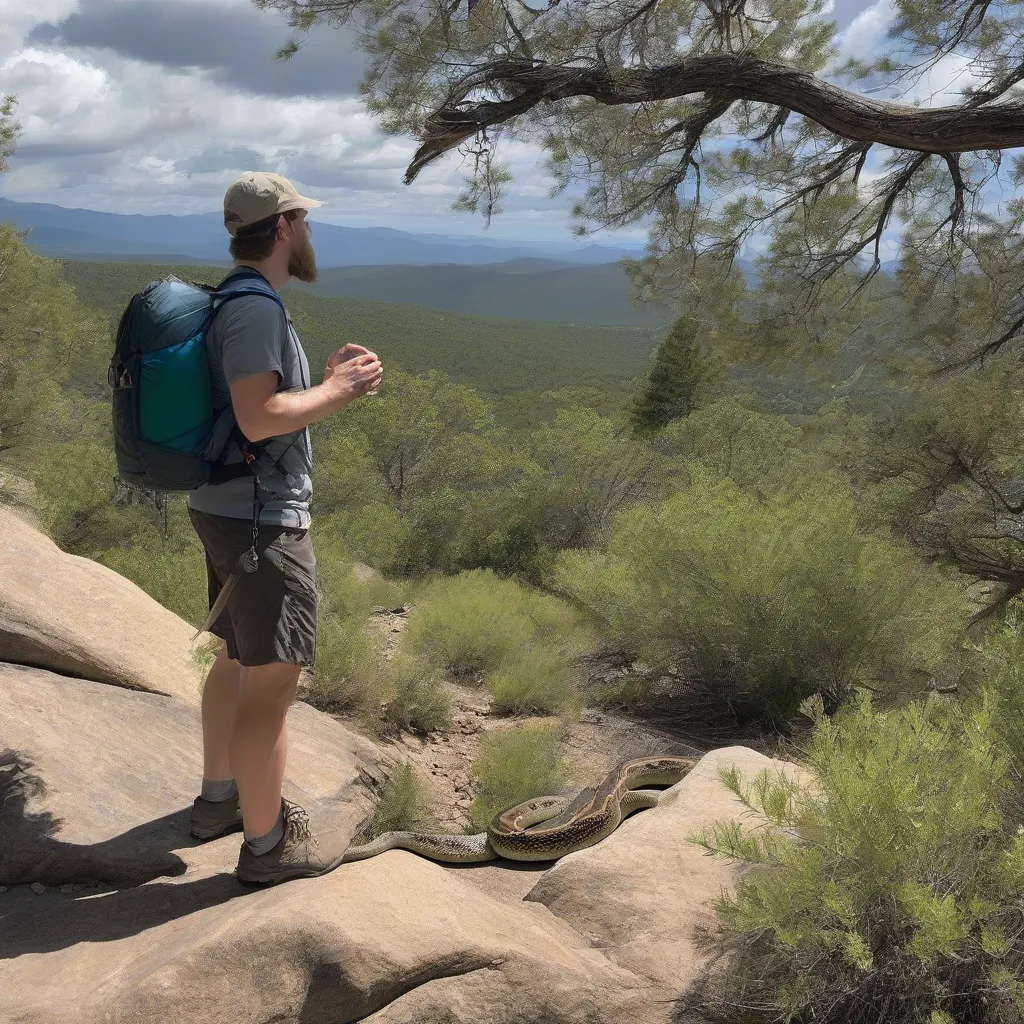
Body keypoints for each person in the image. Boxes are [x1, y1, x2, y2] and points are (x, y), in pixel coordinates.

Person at [186, 171, 383, 885]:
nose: (308, 235)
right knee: (269, 689)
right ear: (283, 228)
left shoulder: (238, 301)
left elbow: (259, 405)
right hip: (264, 524)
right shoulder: (255, 310)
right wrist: (337, 391)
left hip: (230, 507)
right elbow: (257, 418)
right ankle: (269, 848)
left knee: (236, 660)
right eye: (304, 222)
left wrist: (323, 383)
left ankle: (219, 803)